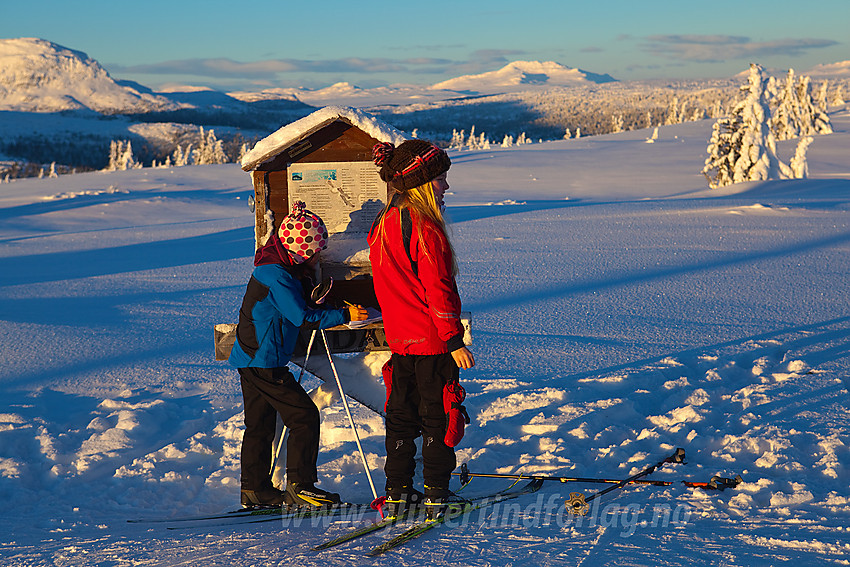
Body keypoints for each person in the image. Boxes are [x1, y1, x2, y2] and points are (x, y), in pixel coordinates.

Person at [229, 201, 368, 508]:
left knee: (260, 424)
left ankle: (255, 489)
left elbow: (299, 307)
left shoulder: (278, 267)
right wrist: (346, 316)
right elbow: (301, 317)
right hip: (263, 360)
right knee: (303, 416)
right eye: (315, 250)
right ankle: (301, 486)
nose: (318, 255)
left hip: (254, 357)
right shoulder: (277, 275)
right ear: (301, 250)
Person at [368, 140, 475, 519]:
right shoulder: (426, 229)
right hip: (431, 341)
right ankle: (436, 492)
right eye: (441, 179)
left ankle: (397, 491)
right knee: (440, 414)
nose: (446, 187)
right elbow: (438, 290)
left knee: (400, 417)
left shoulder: (383, 225)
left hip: (400, 342)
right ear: (421, 183)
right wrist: (453, 340)